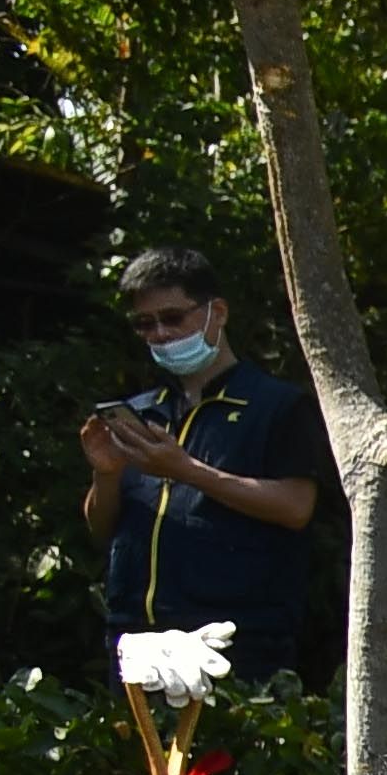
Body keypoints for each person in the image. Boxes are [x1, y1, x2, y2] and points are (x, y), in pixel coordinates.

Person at [86, 244, 332, 670]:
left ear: (217, 312)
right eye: (145, 324)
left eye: (173, 317)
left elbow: (296, 508)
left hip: (234, 643)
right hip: (135, 642)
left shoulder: (277, 406)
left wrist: (187, 471)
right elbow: (100, 527)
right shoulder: (141, 412)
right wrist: (105, 474)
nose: (160, 334)